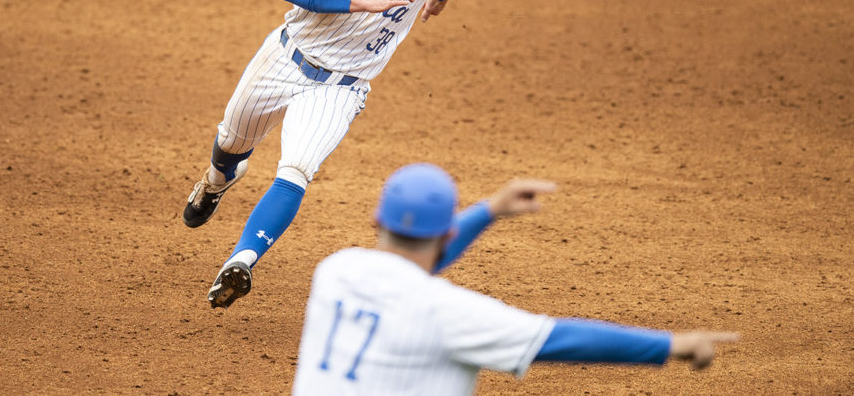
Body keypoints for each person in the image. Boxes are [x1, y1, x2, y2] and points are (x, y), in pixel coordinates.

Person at [183, 0, 458, 309]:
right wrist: (361, 2)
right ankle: (216, 181)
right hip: (286, 58)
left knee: (297, 169)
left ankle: (241, 261)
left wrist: (440, 0)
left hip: (342, 87)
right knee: (232, 140)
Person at [292, 163, 739, 395]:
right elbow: (556, 339)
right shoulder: (448, 314)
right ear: (447, 232)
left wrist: (489, 211)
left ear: (376, 221)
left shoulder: (335, 270)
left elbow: (409, 267)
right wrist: (671, 344)